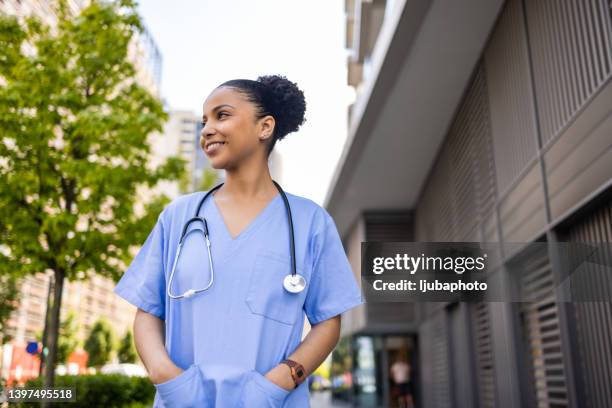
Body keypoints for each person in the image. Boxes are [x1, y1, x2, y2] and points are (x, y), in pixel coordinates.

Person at [113, 75, 364, 407]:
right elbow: (147, 311)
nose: (207, 129)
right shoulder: (179, 217)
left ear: (265, 127)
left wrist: (274, 386)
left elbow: (328, 322)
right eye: (204, 121)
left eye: (222, 115)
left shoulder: (310, 222)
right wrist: (167, 378)